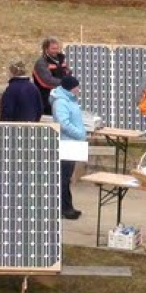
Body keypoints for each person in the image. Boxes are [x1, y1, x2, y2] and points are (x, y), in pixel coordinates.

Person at [50, 75, 87, 220]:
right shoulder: (61, 102)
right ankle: (64, 208)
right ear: (71, 87)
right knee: (64, 177)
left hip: (73, 143)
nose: (79, 89)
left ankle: (68, 206)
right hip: (67, 143)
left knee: (67, 177)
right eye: (77, 86)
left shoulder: (70, 100)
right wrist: (79, 133)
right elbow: (63, 123)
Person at [32, 36, 71, 113]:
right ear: (46, 49)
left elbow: (68, 73)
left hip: (62, 98)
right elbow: (47, 81)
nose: (56, 51)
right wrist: (65, 83)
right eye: (53, 49)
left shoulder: (62, 60)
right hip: (46, 101)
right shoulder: (41, 63)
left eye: (57, 48)